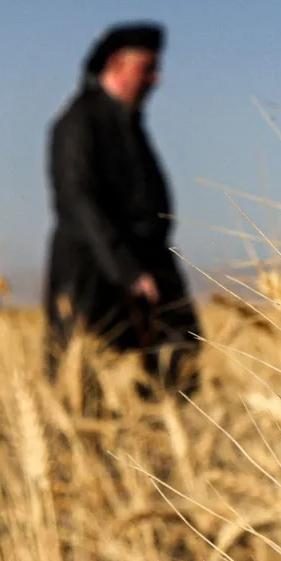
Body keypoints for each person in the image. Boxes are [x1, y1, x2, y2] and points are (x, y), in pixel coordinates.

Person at [43, 21, 201, 392]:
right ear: (116, 64)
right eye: (147, 68)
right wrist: (128, 271)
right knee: (90, 377)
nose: (156, 79)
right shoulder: (79, 122)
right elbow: (79, 201)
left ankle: (159, 447)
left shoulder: (130, 122)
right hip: (95, 272)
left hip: (150, 264)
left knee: (180, 359)